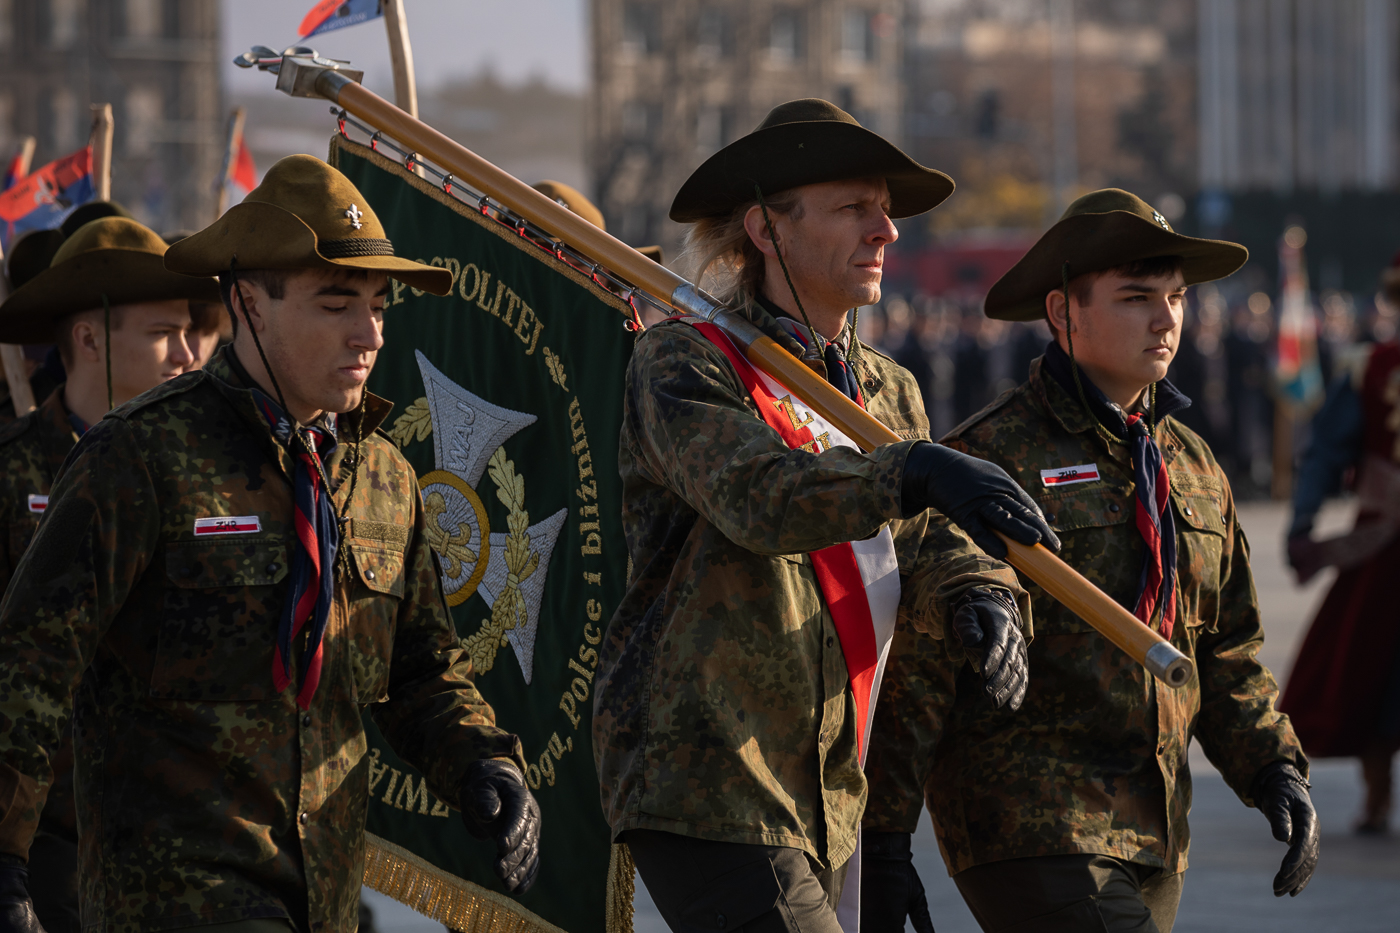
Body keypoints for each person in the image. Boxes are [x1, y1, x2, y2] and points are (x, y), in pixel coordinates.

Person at [0, 154, 541, 933]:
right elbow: (30, 665)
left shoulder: (384, 478)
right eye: (336, 304)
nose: (369, 333)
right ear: (249, 302)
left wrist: (482, 760)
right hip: (175, 897)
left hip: (322, 896)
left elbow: (421, 666)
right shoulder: (143, 455)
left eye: (381, 307)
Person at [593, 99, 1058, 933]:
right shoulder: (685, 361)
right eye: (854, 208)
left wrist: (980, 594)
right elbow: (758, 495)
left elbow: (932, 544)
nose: (886, 231)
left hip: (830, 781)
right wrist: (911, 468)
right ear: (767, 230)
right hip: (709, 774)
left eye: (884, 210)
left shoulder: (886, 387)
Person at [861, 189, 1319, 933]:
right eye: (1137, 297)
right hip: (1030, 817)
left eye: (1174, 297)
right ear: (1063, 312)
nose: (1167, 318)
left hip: (1155, 827)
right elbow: (921, 657)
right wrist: (883, 837)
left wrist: (1275, 767)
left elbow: (1223, 647)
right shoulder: (987, 458)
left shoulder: (1195, 467)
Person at [0, 215, 214, 933]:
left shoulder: (211, 481)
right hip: (49, 838)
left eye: (191, 331)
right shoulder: (10, 474)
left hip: (182, 845)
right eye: (163, 334)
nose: (189, 354)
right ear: (89, 339)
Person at [1279, 252, 1400, 835]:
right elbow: (1327, 453)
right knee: (1372, 674)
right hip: (1385, 550)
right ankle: (1377, 793)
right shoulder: (1369, 367)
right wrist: (1302, 519)